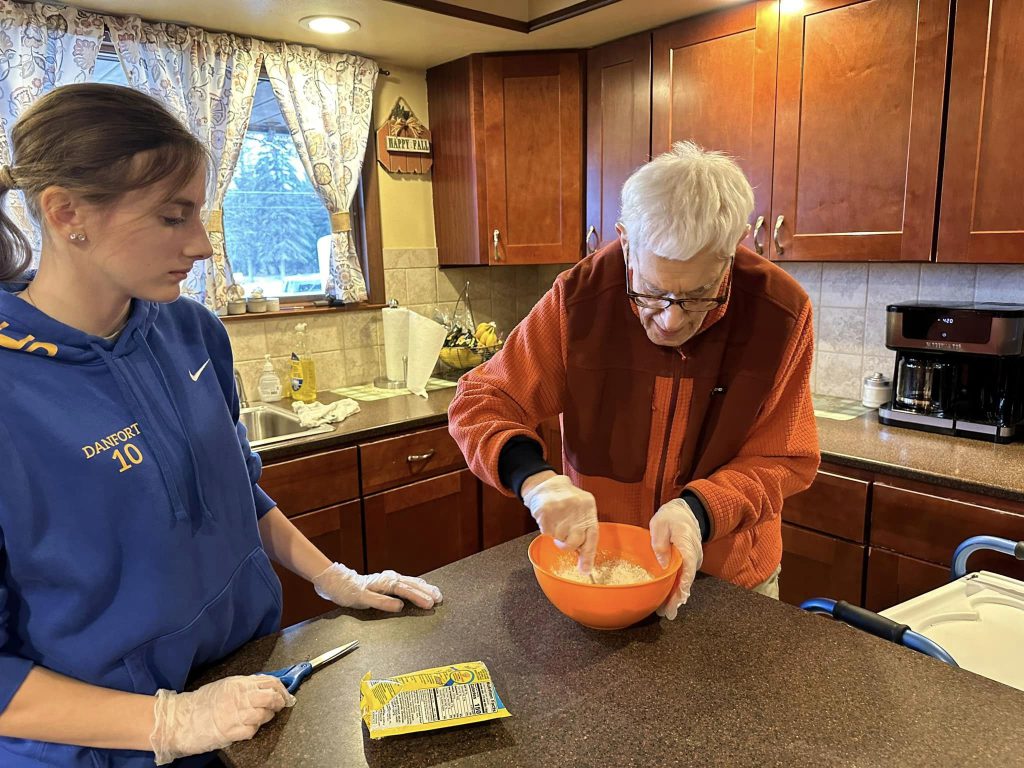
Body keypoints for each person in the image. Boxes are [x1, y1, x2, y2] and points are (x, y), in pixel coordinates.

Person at [0, 84, 442, 767]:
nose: (203, 246)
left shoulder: (192, 331)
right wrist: (166, 724)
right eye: (174, 218)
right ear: (66, 215)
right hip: (107, 745)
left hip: (242, 692)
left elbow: (242, 493)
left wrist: (333, 578)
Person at [449, 141, 820, 618]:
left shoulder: (782, 313)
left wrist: (699, 511)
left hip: (730, 579)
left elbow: (784, 458)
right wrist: (535, 479)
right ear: (625, 240)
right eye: (651, 291)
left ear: (735, 250)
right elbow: (481, 400)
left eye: (699, 294)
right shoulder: (578, 301)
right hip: (604, 570)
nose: (669, 320)